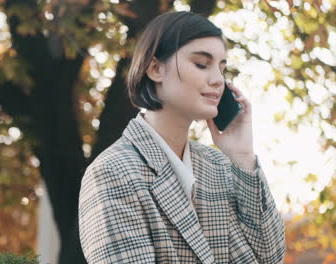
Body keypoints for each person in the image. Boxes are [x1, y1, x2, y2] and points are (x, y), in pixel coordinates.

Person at [78, 11, 286, 264]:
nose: (218, 80)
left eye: (222, 68)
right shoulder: (113, 172)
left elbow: (270, 257)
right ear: (155, 68)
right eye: (201, 64)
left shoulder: (219, 166)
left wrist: (243, 157)